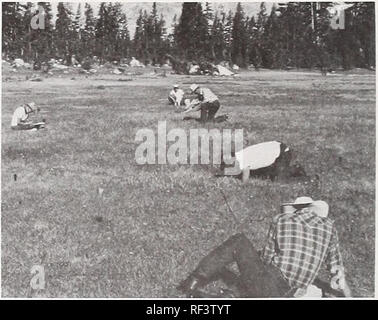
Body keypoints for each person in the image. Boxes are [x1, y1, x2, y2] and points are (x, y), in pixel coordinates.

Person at [178, 197, 352, 298]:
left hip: (271, 283)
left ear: (299, 210)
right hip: (291, 294)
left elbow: (267, 258)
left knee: (239, 241)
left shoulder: (282, 220)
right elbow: (338, 272)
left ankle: (192, 281)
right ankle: (227, 297)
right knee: (257, 282)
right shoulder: (330, 228)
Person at [217, 141, 306, 183]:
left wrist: (243, 186)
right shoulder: (239, 154)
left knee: (279, 180)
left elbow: (245, 179)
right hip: (276, 147)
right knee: (269, 175)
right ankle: (287, 169)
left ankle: (299, 171)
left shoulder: (242, 159)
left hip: (281, 153)